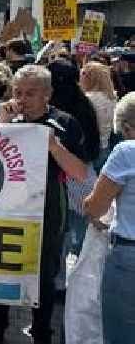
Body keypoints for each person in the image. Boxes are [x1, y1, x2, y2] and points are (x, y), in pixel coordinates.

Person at [0, 64, 88, 344]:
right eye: (17, 92)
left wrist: (53, 147)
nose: (22, 99)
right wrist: (1, 121)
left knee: (44, 276)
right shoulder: (8, 119)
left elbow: (80, 173)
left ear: (47, 94)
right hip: (9, 207)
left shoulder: (65, 122)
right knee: (3, 269)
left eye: (30, 93)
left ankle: (41, 334)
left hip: (48, 208)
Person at [84, 92, 135, 344]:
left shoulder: (127, 151)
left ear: (127, 127)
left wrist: (88, 206)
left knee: (122, 335)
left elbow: (95, 206)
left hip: (129, 256)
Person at [48, 59, 101, 256]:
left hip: (64, 177)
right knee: (80, 232)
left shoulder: (56, 113)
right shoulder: (84, 103)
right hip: (83, 173)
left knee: (62, 234)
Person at [80, 61, 118, 172]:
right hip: (106, 146)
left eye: (83, 74)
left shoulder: (87, 99)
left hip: (91, 149)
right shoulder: (112, 98)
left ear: (89, 78)